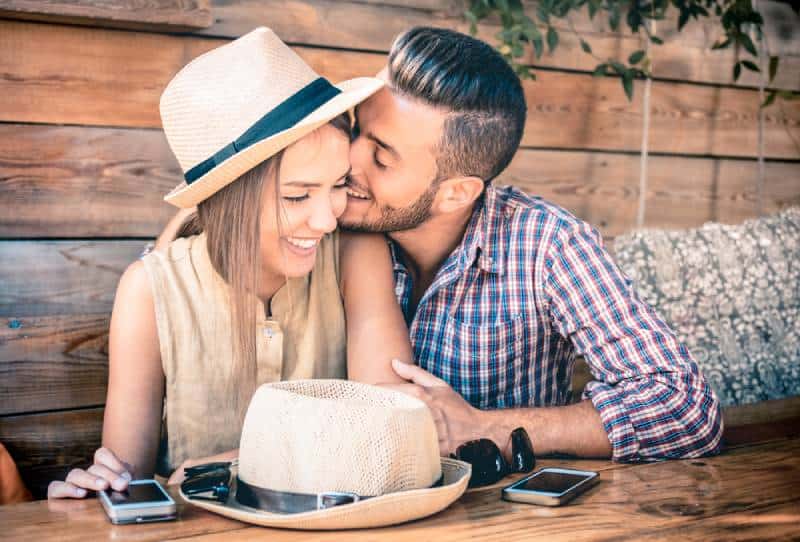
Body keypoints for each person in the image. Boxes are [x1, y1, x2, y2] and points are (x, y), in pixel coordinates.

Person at [47, 27, 412, 499]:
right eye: (297, 195)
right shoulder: (150, 290)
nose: (326, 219)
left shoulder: (356, 256)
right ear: (229, 201)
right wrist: (99, 490)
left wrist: (226, 464)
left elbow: (394, 424)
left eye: (338, 184)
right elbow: (128, 483)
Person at [340, 27, 723, 463]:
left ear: (457, 193)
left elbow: (686, 410)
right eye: (355, 131)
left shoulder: (549, 246)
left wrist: (485, 428)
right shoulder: (322, 217)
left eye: (382, 159)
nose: (348, 160)